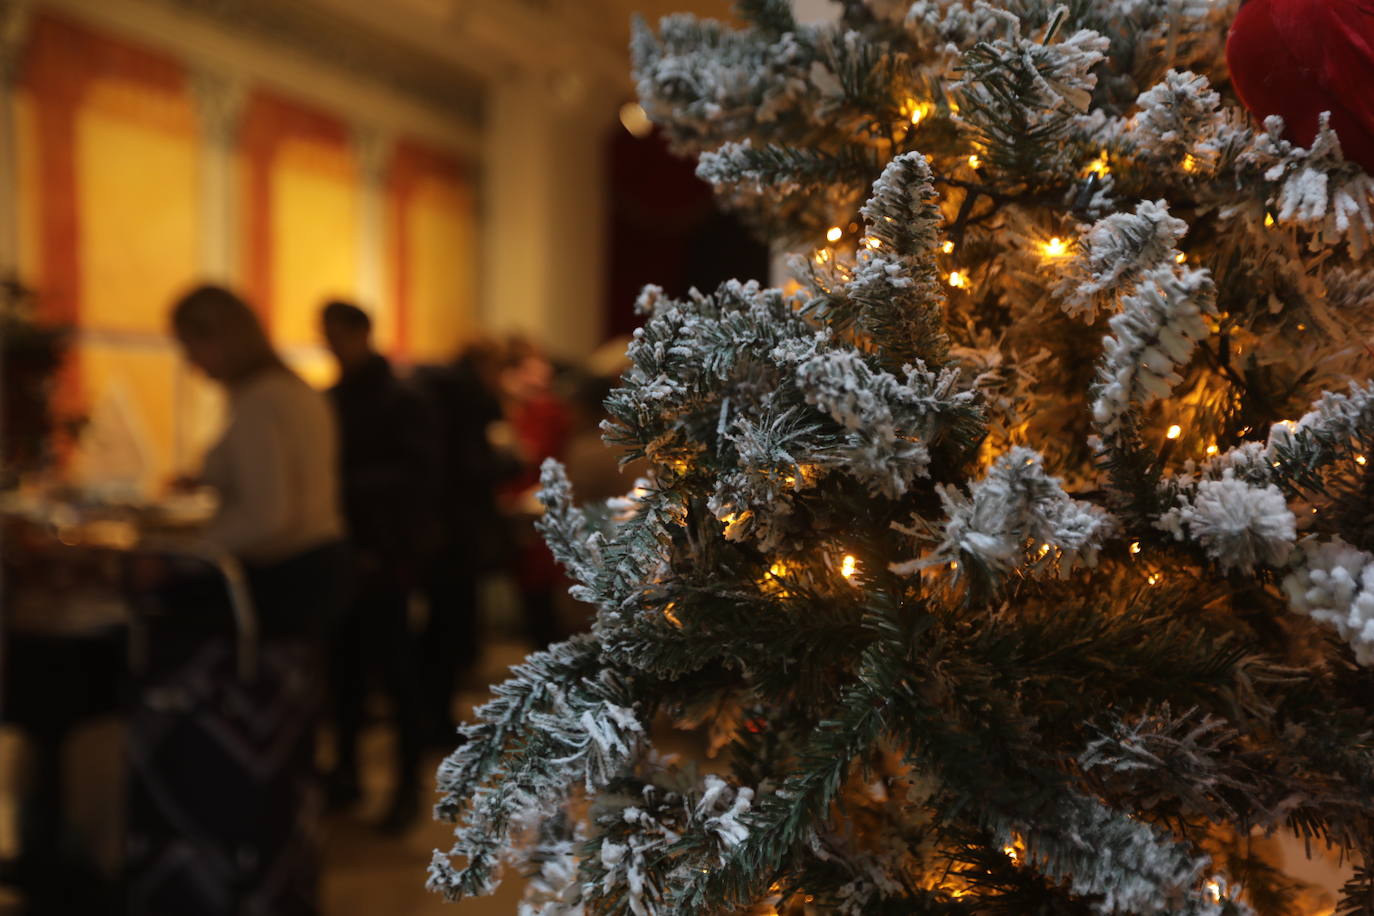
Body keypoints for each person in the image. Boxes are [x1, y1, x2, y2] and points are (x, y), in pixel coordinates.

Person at [127, 284, 344, 916]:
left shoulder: (260, 401)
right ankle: (272, 865)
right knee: (287, 747)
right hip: (312, 576)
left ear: (218, 337)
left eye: (191, 346)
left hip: (276, 589)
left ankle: (222, 863)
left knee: (247, 743)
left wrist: (181, 556)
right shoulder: (293, 392)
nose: (191, 363)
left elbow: (270, 516)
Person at [319, 301, 437, 832]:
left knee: (395, 670)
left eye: (337, 333)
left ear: (362, 333)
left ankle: (406, 786)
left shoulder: (402, 399)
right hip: (347, 549)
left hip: (388, 553)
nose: (330, 344)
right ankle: (346, 775)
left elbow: (420, 476)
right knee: (343, 671)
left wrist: (344, 486)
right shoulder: (336, 397)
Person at [412, 340, 512, 749]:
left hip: (430, 533)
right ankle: (436, 722)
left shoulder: (429, 397)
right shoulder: (469, 401)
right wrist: (509, 461)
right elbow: (474, 466)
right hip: (458, 535)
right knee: (449, 630)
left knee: (433, 631)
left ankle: (427, 720)